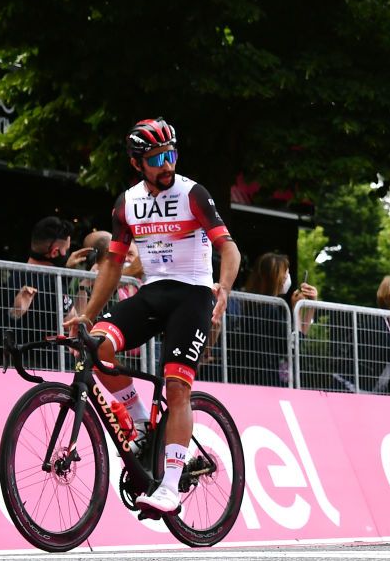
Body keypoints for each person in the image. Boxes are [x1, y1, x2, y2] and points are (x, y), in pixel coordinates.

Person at [63, 117, 241, 516]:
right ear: (136, 164)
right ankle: (142, 421)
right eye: (158, 158)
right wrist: (88, 315)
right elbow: (112, 265)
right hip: (153, 292)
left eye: (171, 154)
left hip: (193, 294)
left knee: (177, 388)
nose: (167, 165)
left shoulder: (193, 193)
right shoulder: (127, 203)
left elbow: (229, 249)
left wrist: (224, 287)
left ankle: (171, 486)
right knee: (97, 348)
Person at [228, 252, 317, 387]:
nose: (287, 277)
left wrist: (310, 306)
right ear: (277, 278)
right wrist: (296, 309)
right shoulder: (270, 311)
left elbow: (298, 338)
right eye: (286, 273)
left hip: (245, 378)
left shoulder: (249, 306)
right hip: (266, 383)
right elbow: (293, 345)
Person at [6, 216, 77, 370]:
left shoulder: (14, 277)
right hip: (53, 366)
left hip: (21, 362)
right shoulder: (53, 283)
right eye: (67, 248)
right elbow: (73, 320)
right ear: (55, 252)